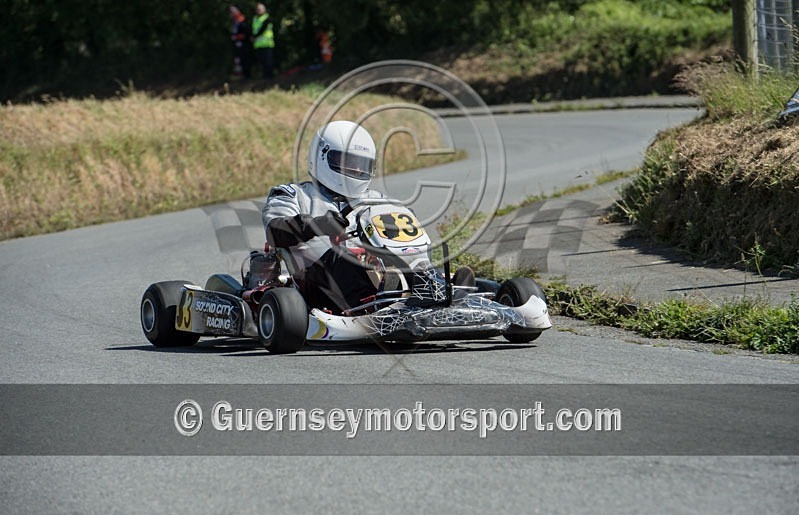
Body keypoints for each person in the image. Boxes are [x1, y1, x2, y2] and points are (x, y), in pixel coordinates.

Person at [262, 121, 383, 313]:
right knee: (341, 258)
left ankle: (429, 295)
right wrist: (318, 225)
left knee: (406, 258)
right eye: (350, 163)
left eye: (362, 165)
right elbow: (275, 230)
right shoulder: (294, 194)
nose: (358, 171)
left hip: (373, 273)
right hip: (312, 282)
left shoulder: (376, 200)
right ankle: (372, 308)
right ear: (322, 157)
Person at [251, 3, 275, 78]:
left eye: (260, 9)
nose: (259, 11)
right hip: (258, 44)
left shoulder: (267, 18)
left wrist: (254, 36)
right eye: (258, 9)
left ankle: (270, 77)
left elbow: (263, 29)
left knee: (268, 62)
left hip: (267, 43)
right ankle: (264, 77)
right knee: (262, 62)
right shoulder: (255, 18)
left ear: (264, 10)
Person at [229, 5, 252, 78]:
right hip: (238, 44)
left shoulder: (242, 20)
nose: (231, 14)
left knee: (245, 60)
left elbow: (246, 34)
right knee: (238, 60)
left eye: (232, 12)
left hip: (244, 44)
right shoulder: (235, 21)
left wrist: (236, 37)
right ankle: (241, 75)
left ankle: (247, 75)